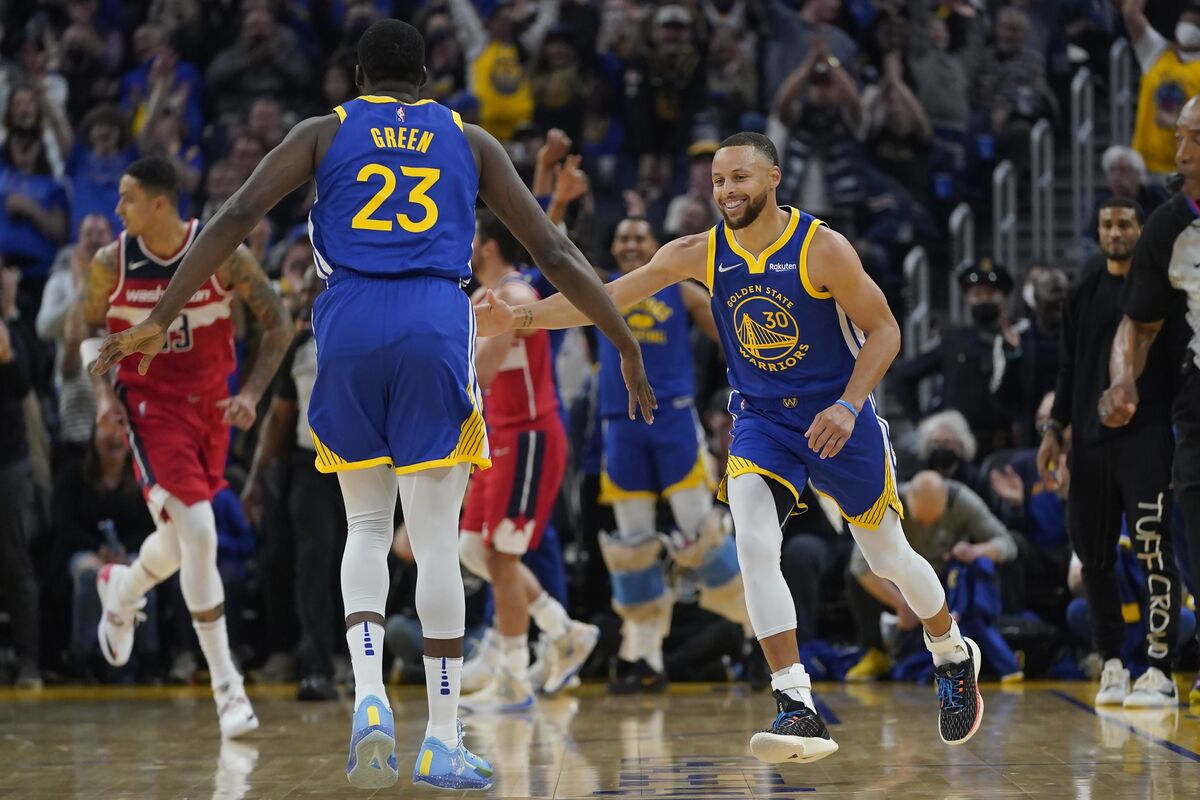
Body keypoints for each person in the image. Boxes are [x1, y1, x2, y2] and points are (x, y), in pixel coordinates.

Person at [92, 19, 652, 791]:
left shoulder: (326, 131)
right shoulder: (470, 139)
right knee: (433, 533)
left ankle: (369, 704)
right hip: (432, 318)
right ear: (425, 81)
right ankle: (443, 738)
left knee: (364, 524)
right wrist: (622, 340)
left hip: (349, 323)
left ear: (358, 79)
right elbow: (552, 253)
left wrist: (162, 313)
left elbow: (231, 217)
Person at [475, 132, 984, 762]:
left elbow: (885, 331)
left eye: (740, 178)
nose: (727, 191)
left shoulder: (821, 248)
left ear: (773, 179)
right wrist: (519, 319)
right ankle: (795, 702)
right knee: (752, 541)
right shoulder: (699, 252)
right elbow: (603, 299)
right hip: (762, 424)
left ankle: (950, 650)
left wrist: (849, 406)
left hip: (837, 418)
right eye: (718, 181)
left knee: (889, 560)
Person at [78, 156, 291, 737]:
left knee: (178, 542)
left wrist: (249, 391)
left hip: (212, 412)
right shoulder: (110, 263)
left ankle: (119, 589)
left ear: (159, 204)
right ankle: (228, 689)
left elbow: (279, 324)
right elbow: (87, 333)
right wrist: (103, 398)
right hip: (150, 410)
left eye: (127, 199)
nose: (117, 210)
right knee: (199, 532)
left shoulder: (222, 253)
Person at [1041, 197, 1182, 708]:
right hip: (1091, 446)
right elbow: (1067, 370)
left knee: (1151, 549)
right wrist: (1055, 427)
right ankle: (1114, 664)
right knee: (1094, 557)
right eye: (1107, 224)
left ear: (1142, 230)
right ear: (1097, 231)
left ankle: (1161, 669)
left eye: (1125, 224)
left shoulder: (1163, 294)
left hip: (1146, 440)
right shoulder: (1082, 292)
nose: (1116, 233)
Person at [457, 208, 600, 712]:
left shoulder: (515, 298)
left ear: (489, 247)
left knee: (501, 555)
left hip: (529, 438)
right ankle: (563, 631)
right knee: (473, 548)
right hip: (499, 438)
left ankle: (513, 677)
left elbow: (484, 375)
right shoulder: (481, 298)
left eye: (470, 236)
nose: (463, 243)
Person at [1100, 94, 1200, 707]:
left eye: (1195, 140)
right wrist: (1124, 380)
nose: (1181, 151)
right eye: (1181, 137)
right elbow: (1138, 323)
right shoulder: (1167, 224)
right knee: (1193, 525)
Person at [1121, 0, 1200, 176]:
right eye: (1188, 18)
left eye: (1196, 20)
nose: (1191, 23)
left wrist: (1177, 123)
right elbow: (1130, 13)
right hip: (1147, 170)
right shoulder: (1156, 52)